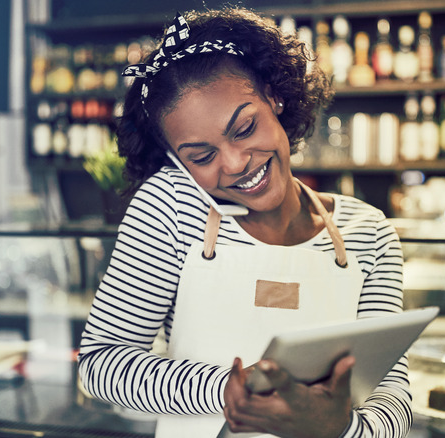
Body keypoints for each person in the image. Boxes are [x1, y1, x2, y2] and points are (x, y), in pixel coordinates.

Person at [78, 7, 409, 438]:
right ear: (179, 162)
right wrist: (228, 390)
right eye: (202, 156)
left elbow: (393, 395)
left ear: (274, 97)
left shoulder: (370, 233)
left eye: (245, 127)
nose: (234, 163)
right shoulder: (172, 207)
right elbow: (101, 364)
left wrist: (339, 428)